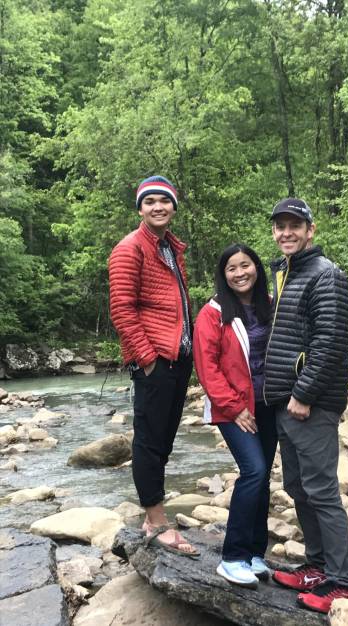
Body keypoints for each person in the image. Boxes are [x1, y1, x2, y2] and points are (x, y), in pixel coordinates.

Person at [263, 198, 348, 612]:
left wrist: (304, 394)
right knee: (298, 488)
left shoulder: (325, 274)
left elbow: (330, 342)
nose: (286, 232)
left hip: (310, 404)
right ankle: (317, 566)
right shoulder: (287, 272)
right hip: (287, 401)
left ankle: (340, 582)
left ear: (310, 230)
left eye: (294, 226)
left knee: (321, 491)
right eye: (280, 226)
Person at [108, 175, 199, 558]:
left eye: (164, 200)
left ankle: (154, 515)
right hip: (155, 360)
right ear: (140, 209)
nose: (158, 206)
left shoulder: (170, 248)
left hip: (177, 358)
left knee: (163, 440)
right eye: (150, 201)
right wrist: (147, 359)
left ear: (173, 206)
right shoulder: (130, 249)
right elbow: (122, 310)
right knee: (149, 440)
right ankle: (156, 522)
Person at [193, 243, 277, 588]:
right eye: (232, 268)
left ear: (256, 267)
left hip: (269, 404)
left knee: (263, 476)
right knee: (253, 471)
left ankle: (255, 554)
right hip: (234, 408)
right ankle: (232, 558)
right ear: (223, 274)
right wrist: (234, 407)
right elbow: (207, 367)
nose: (240, 273)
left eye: (245, 265)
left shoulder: (270, 304)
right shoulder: (212, 313)